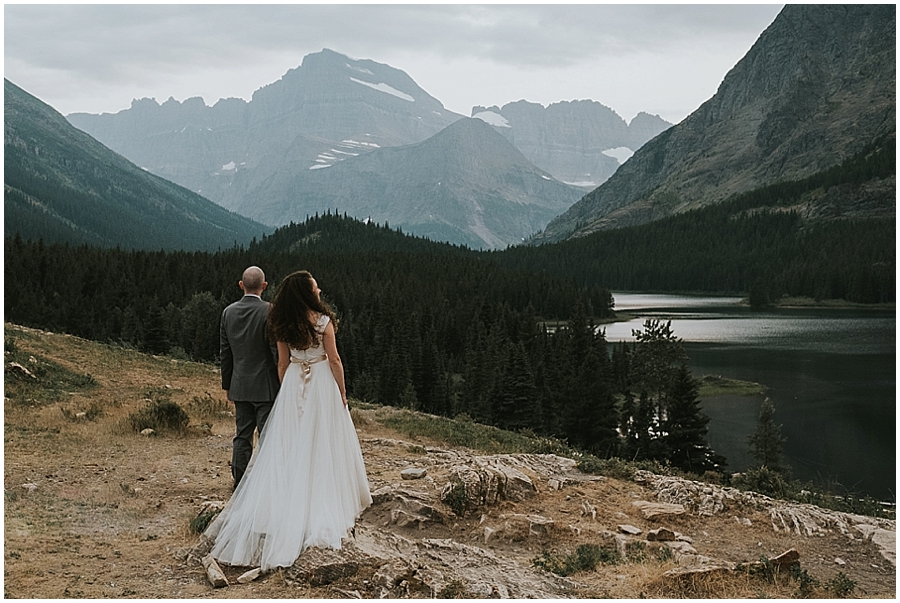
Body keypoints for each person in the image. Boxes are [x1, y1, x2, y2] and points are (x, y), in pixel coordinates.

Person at [204, 270, 372, 571]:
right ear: (308, 293)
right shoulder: (323, 322)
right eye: (315, 286)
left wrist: (288, 390)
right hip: (320, 380)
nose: (319, 289)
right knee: (323, 438)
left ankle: (264, 492)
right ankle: (326, 497)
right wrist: (342, 392)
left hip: (294, 379)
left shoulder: (282, 323)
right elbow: (334, 360)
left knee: (284, 443)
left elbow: (282, 363)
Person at [220, 266, 281, 490]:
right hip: (266, 387)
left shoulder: (228, 312)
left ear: (241, 284)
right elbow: (276, 353)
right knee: (267, 437)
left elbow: (225, 353)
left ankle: (239, 483)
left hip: (240, 384)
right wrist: (283, 382)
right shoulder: (271, 312)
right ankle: (267, 485)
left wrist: (227, 384)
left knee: (242, 436)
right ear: (264, 286)